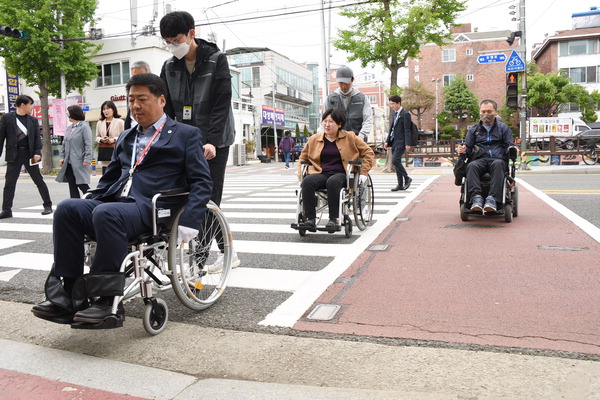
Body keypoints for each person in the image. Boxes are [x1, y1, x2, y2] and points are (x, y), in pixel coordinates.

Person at [31, 73, 213, 325]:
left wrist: (191, 219)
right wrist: (93, 197)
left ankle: (106, 301)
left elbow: (202, 181)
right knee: (67, 209)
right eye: (131, 100)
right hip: (116, 201)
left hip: (150, 207)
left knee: (106, 214)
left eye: (142, 99)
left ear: (161, 100)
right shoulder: (127, 136)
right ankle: (68, 295)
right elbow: (112, 175)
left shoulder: (185, 134)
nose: (135, 105)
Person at [159, 10, 238, 273]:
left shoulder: (217, 60)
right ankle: (228, 252)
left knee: (207, 199)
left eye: (176, 39)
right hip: (186, 141)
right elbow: (166, 107)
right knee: (186, 198)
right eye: (167, 41)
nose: (172, 45)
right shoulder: (169, 67)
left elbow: (221, 104)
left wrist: (213, 141)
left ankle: (198, 263)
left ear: (192, 33)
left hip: (216, 140)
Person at [298, 108, 374, 233]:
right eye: (325, 121)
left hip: (342, 174)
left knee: (333, 182)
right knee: (307, 182)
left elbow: (368, 153)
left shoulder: (350, 137)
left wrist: (363, 172)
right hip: (320, 173)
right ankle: (310, 219)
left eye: (331, 122)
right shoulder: (314, 139)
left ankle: (334, 219)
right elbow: (303, 158)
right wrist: (300, 175)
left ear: (339, 124)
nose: (327, 125)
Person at [457, 99, 516, 213]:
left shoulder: (503, 128)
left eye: (489, 111)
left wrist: (512, 149)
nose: (486, 114)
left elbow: (509, 144)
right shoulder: (473, 130)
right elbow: (468, 148)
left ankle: (492, 199)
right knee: (471, 165)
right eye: (483, 112)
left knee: (498, 164)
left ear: (495, 112)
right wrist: (463, 150)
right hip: (479, 160)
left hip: (497, 159)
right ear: (479, 112)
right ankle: (476, 198)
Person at [0, 94, 53, 218]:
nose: (31, 107)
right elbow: (1, 137)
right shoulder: (7, 118)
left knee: (38, 181)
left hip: (29, 154)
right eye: (30, 104)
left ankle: (47, 205)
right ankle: (6, 210)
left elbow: (36, 138)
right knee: (9, 183)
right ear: (23, 105)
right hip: (14, 154)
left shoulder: (32, 120)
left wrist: (37, 153)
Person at [323, 66, 372, 142]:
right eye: (341, 83)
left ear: (352, 80)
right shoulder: (330, 99)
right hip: (336, 141)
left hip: (357, 140)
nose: (344, 86)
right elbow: (323, 121)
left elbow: (367, 120)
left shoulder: (362, 98)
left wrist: (361, 136)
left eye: (346, 83)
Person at [55, 105, 92, 198]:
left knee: (82, 184)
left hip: (80, 161)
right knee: (72, 185)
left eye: (69, 112)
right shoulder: (69, 128)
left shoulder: (85, 127)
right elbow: (64, 144)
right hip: (69, 162)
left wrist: (87, 159)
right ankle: (75, 205)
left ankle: (93, 200)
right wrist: (62, 157)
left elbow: (88, 144)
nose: (68, 115)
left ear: (74, 113)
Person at [384, 95, 413, 192]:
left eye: (393, 104)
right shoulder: (395, 114)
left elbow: (407, 129)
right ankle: (400, 184)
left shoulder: (405, 114)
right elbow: (391, 129)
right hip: (394, 141)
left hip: (402, 141)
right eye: (390, 104)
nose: (391, 106)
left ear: (398, 103)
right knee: (397, 162)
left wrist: (408, 143)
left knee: (395, 160)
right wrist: (387, 141)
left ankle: (407, 178)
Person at [95, 100, 125, 175]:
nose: (106, 111)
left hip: (116, 152)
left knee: (115, 177)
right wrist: (101, 139)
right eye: (104, 109)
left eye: (108, 108)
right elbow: (97, 137)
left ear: (113, 109)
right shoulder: (99, 123)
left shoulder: (120, 122)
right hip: (105, 153)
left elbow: (124, 136)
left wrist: (114, 139)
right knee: (105, 176)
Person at [124, 61, 151, 130]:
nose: (137, 80)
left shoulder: (155, 90)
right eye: (134, 77)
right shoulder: (130, 92)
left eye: (141, 76)